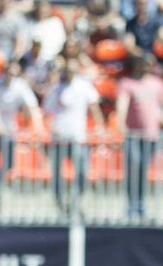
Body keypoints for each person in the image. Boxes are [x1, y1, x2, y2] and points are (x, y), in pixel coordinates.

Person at [114, 52, 163, 218]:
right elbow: (122, 104)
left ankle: (140, 203)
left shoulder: (157, 84)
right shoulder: (127, 83)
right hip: (133, 135)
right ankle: (131, 203)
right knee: (133, 168)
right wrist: (121, 124)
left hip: (150, 136)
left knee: (143, 170)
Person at [0, 58, 43, 216]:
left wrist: (38, 127)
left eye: (14, 74)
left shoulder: (21, 86)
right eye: (8, 73)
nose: (10, 76)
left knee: (8, 164)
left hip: (8, 131)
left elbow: (32, 107)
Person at [43, 57, 105, 217]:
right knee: (57, 175)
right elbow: (47, 113)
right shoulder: (55, 89)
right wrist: (52, 128)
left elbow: (94, 107)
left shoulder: (84, 86)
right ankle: (60, 205)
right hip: (59, 140)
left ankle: (75, 203)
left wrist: (99, 126)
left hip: (78, 138)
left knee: (83, 173)